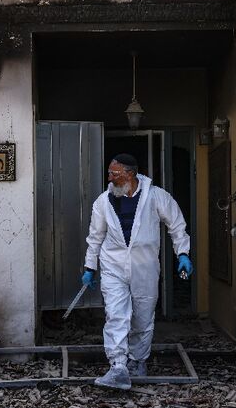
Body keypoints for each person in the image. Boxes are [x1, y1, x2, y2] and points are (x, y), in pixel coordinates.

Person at [82, 153, 193, 390]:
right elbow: (95, 236)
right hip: (113, 265)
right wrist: (89, 266)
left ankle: (138, 360)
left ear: (130, 174)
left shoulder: (155, 196)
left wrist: (182, 253)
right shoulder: (103, 201)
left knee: (143, 316)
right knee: (116, 314)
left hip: (145, 267)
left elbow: (176, 224)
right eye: (109, 173)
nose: (109, 178)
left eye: (115, 173)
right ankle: (118, 366)